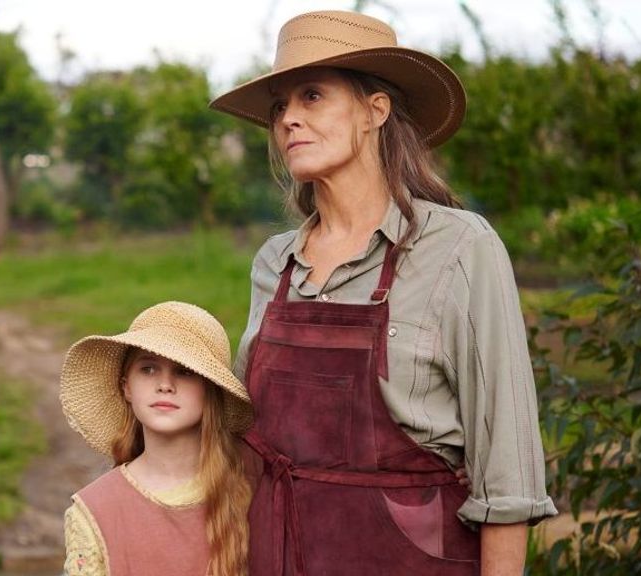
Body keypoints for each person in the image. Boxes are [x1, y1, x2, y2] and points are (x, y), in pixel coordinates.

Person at [209, 9, 557, 576]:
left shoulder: (458, 248)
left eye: (312, 96)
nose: (288, 119)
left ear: (376, 111)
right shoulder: (274, 263)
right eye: (279, 107)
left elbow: (508, 475)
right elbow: (243, 444)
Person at [59, 301, 255, 576]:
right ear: (126, 387)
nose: (165, 385)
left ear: (211, 391)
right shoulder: (94, 511)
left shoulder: (247, 490)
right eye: (148, 369)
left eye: (185, 371)